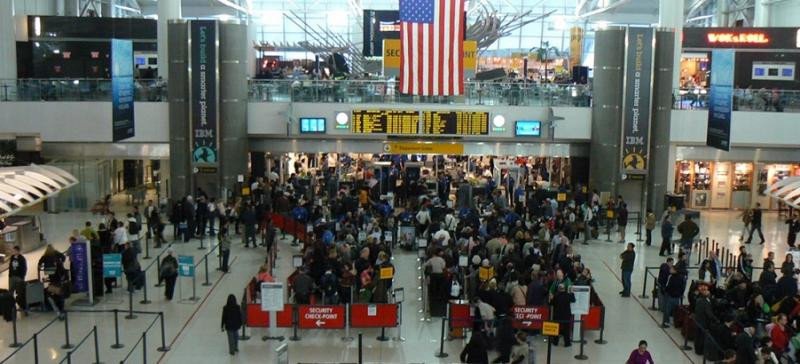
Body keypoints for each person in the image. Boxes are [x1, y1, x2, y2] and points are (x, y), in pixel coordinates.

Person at [694, 282, 717, 356]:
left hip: (698, 320)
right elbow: (709, 314)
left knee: (698, 336)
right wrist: (715, 320)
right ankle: (699, 350)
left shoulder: (700, 299)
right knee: (701, 336)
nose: (708, 292)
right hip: (703, 322)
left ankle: (698, 349)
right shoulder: (705, 302)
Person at [9, 246, 28, 315]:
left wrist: (21, 277)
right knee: (10, 291)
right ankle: (10, 306)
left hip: (19, 278)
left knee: (20, 292)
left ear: (18, 251)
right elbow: (10, 267)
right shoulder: (12, 258)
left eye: (14, 251)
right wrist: (10, 275)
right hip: (12, 277)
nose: (13, 252)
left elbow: (24, 268)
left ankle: (22, 306)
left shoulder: (22, 259)